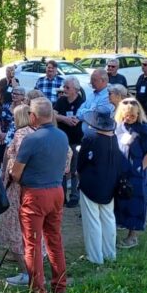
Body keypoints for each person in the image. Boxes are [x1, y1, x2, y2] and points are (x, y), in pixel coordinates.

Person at [9, 98, 69, 293]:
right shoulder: (62, 136)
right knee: (54, 240)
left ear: (33, 116)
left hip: (35, 194)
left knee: (32, 244)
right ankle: (60, 286)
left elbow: (16, 173)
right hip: (56, 190)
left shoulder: (31, 139)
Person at [77, 107, 124, 265]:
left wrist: (79, 174)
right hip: (110, 183)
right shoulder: (114, 138)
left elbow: (81, 161)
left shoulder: (90, 137)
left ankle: (95, 257)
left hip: (91, 183)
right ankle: (110, 254)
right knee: (108, 219)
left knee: (92, 221)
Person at [1, 104, 34, 286]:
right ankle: (32, 270)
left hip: (18, 188)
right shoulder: (37, 131)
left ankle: (26, 273)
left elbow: (17, 164)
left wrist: (9, 174)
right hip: (35, 187)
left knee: (15, 229)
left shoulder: (21, 134)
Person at [115, 99, 147, 248]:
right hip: (120, 171)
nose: (129, 118)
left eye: (133, 115)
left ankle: (133, 237)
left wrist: (140, 168)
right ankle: (119, 228)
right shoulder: (118, 127)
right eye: (127, 115)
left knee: (135, 203)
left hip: (136, 172)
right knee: (120, 201)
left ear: (138, 114)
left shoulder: (143, 128)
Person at [55, 77, 85, 208]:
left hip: (77, 140)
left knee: (74, 169)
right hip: (62, 140)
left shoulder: (82, 102)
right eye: (64, 87)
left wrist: (76, 119)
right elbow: (53, 114)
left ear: (76, 90)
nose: (64, 90)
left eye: (67, 87)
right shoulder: (61, 100)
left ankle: (74, 196)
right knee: (62, 169)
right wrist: (64, 119)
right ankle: (62, 196)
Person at [77, 69, 114, 137]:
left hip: (100, 137)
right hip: (87, 137)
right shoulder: (92, 95)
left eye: (94, 80)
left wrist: (85, 111)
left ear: (103, 81)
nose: (91, 82)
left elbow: (96, 116)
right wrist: (89, 112)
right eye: (91, 79)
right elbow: (78, 112)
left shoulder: (108, 96)